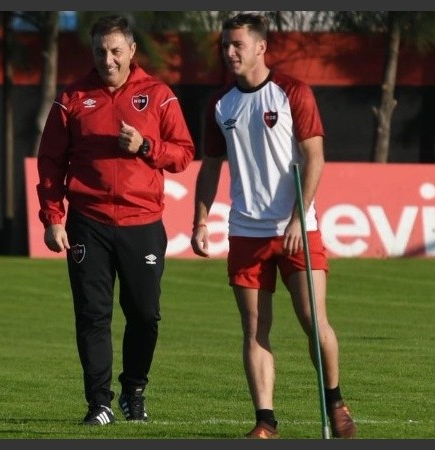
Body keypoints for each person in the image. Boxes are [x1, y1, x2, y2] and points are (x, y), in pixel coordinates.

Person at [190, 13, 357, 439]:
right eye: (224, 45)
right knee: (254, 330)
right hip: (246, 232)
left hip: (298, 227)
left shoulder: (293, 92)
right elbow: (210, 166)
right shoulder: (219, 103)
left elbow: (314, 158)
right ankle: (266, 421)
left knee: (312, 320)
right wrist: (200, 219)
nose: (229, 52)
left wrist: (300, 219)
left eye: (237, 45)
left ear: (261, 47)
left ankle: (335, 401)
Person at [36, 14, 195, 426]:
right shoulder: (73, 97)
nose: (107, 59)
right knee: (92, 314)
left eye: (115, 51)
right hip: (87, 222)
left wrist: (146, 146)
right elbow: (50, 162)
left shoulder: (158, 96)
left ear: (131, 52)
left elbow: (183, 153)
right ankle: (99, 403)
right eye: (100, 51)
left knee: (145, 314)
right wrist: (54, 218)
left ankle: (134, 390)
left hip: (142, 224)